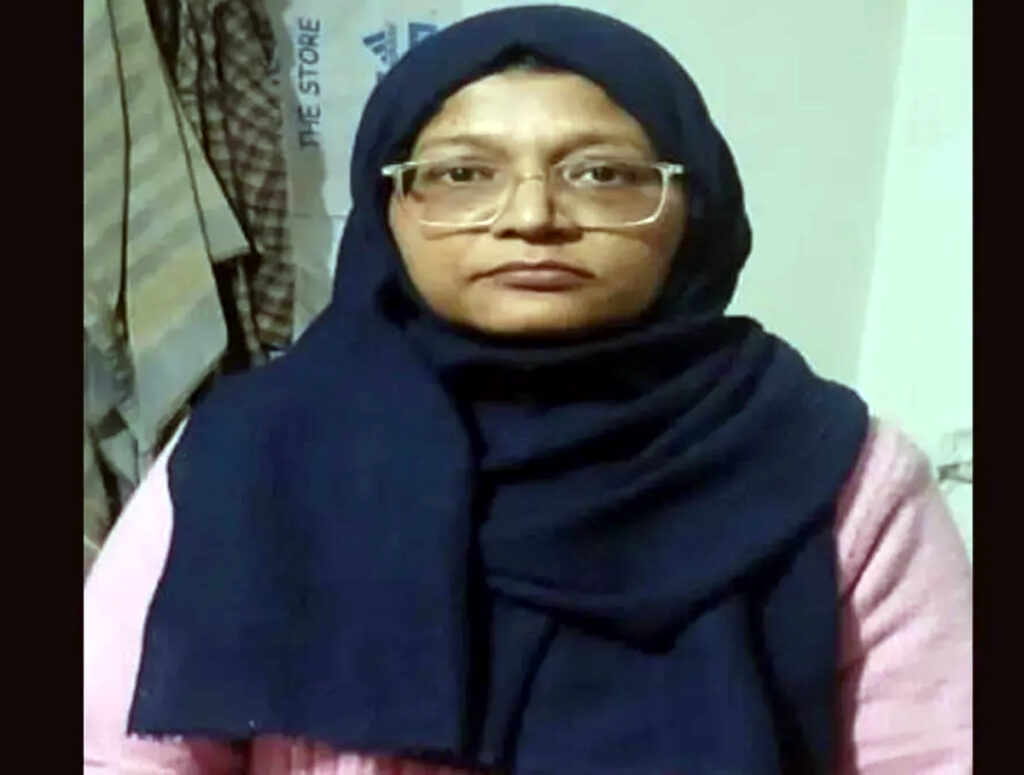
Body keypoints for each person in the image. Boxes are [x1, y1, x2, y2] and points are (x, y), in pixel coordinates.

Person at [84, 6, 972, 774]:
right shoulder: (254, 449)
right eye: (462, 173)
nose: (532, 216)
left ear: (694, 204)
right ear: (389, 207)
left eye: (603, 174)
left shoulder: (834, 472)